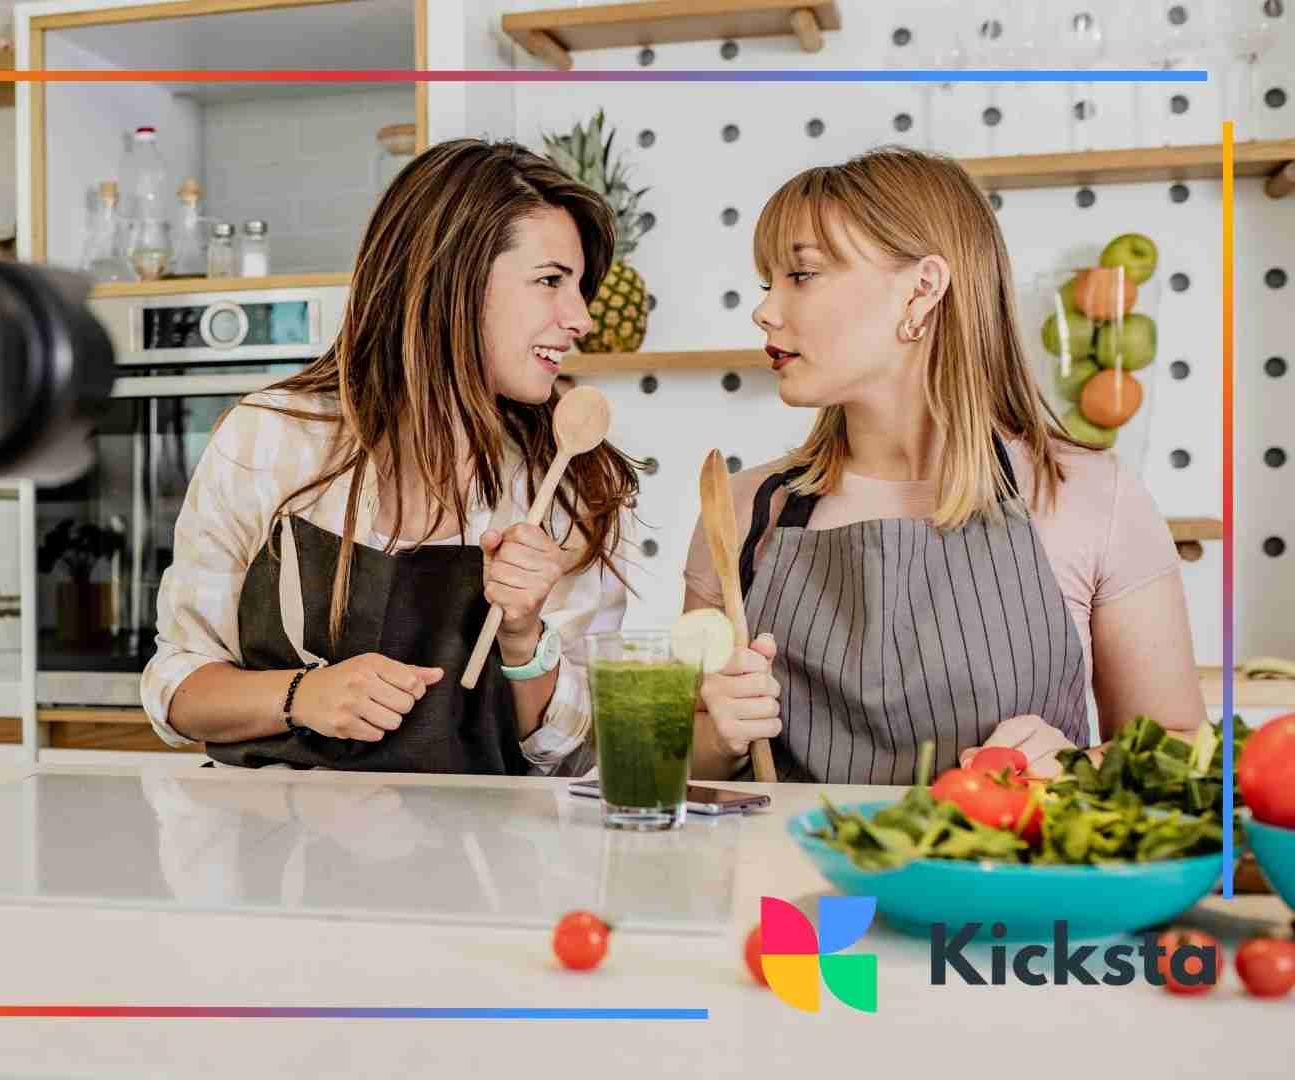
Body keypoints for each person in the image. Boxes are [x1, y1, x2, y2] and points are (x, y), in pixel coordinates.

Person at [682, 147, 1205, 785]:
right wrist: (716, 740)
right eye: (769, 283)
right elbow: (678, 768)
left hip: (1007, 884)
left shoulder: (1092, 497)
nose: (765, 310)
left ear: (923, 288)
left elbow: (1181, 754)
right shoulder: (738, 509)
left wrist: (1078, 767)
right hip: (797, 889)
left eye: (803, 275)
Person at [140, 138, 641, 775]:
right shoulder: (268, 438)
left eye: (579, 287)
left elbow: (576, 756)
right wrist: (301, 696)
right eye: (549, 282)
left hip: (483, 862)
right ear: (450, 279)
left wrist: (524, 639)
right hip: (270, 853)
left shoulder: (570, 483)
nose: (580, 318)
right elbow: (178, 692)